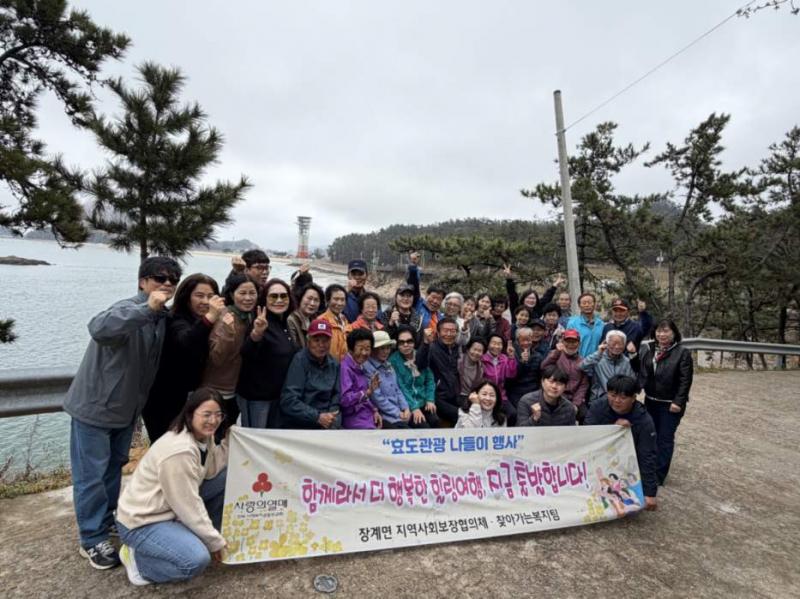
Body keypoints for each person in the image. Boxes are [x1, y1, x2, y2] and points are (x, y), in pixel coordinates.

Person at [64, 256, 181, 570]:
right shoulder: (129, 309)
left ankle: (105, 522)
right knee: (90, 477)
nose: (167, 284)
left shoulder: (161, 318)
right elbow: (98, 327)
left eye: (173, 279)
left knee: (113, 469)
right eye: (159, 278)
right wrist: (147, 309)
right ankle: (91, 539)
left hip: (126, 411)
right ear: (143, 282)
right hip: (95, 407)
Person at [115, 387, 228, 585]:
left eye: (218, 415)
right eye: (207, 414)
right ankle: (139, 562)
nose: (213, 420)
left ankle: (194, 537)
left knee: (225, 477)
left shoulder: (203, 436)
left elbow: (210, 471)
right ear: (190, 413)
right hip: (142, 521)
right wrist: (215, 542)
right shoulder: (179, 451)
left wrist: (230, 442)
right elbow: (188, 506)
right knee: (196, 560)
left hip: (168, 508)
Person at [144, 273, 223, 443]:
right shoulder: (174, 318)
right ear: (187, 297)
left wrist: (237, 273)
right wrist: (210, 318)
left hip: (190, 396)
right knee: (166, 446)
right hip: (163, 399)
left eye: (210, 296)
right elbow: (186, 342)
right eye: (199, 295)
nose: (205, 301)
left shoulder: (205, 321)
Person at [585, 375, 658, 510]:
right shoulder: (597, 407)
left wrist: (650, 492)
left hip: (626, 464)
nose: (617, 401)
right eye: (613, 395)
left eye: (623, 397)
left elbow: (647, 456)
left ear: (633, 398)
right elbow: (587, 437)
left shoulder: (644, 420)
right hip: (599, 459)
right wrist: (613, 428)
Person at [236, 279, 299, 428]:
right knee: (256, 439)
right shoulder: (260, 323)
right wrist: (257, 334)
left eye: (283, 296)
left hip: (279, 397)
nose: (279, 300)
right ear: (264, 299)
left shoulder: (283, 323)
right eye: (273, 296)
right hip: (258, 400)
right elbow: (246, 352)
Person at [637, 319, 693, 485]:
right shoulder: (650, 349)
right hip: (651, 400)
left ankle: (658, 476)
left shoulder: (682, 353)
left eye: (666, 331)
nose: (662, 334)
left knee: (665, 439)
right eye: (659, 331)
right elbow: (642, 372)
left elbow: (685, 380)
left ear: (674, 333)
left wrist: (678, 402)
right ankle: (647, 469)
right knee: (650, 436)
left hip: (670, 404)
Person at [201, 273, 257, 436]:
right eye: (242, 293)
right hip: (217, 390)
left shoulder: (248, 316)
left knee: (225, 437)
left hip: (234, 389)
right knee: (213, 437)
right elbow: (216, 359)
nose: (248, 298)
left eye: (252, 293)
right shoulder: (224, 317)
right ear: (232, 294)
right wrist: (228, 332)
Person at [279, 319, 341, 429]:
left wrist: (331, 418)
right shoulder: (299, 361)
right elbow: (289, 400)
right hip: (302, 423)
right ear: (308, 340)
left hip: (327, 422)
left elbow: (336, 397)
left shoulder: (334, 364)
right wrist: (317, 417)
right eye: (316, 340)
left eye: (325, 341)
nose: (321, 345)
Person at [389, 326, 439, 428]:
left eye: (409, 341)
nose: (406, 345)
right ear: (397, 344)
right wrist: (414, 408)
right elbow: (401, 387)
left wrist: (430, 399)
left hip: (423, 400)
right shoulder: (393, 361)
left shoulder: (421, 355)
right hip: (407, 404)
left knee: (435, 421)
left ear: (414, 342)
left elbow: (430, 380)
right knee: (423, 427)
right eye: (401, 342)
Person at [416, 317, 461, 425]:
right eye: (445, 330)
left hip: (454, 394)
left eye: (452, 331)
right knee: (459, 415)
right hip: (437, 396)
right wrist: (425, 343)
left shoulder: (457, 349)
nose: (449, 334)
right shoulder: (432, 348)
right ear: (438, 332)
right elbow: (420, 364)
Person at [363, 331, 412, 429]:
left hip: (400, 412)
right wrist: (398, 413)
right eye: (382, 348)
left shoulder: (389, 365)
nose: (386, 351)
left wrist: (406, 408)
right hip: (384, 416)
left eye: (388, 348)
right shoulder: (367, 368)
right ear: (373, 349)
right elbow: (377, 398)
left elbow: (397, 389)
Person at [339, 328, 382, 429]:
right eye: (360, 349)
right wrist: (367, 392)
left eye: (367, 349)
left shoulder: (360, 366)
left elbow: (365, 397)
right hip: (354, 418)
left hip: (367, 415)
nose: (364, 353)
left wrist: (374, 410)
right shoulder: (345, 368)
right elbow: (345, 400)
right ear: (351, 349)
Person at [541, 329, 589, 420]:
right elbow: (544, 368)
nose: (570, 344)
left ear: (579, 343)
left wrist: (576, 404)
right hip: (556, 395)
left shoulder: (582, 361)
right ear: (562, 342)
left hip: (574, 397)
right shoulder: (555, 354)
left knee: (585, 415)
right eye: (568, 341)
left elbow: (583, 385)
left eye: (574, 342)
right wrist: (557, 352)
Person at [580, 330, 636, 407]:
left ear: (624, 345)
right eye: (613, 343)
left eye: (620, 344)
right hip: (599, 400)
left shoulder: (627, 361)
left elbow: (632, 381)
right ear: (606, 343)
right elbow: (583, 366)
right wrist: (598, 353)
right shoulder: (598, 358)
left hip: (619, 401)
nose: (617, 347)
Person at [481, 333, 518, 423]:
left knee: (512, 414)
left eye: (499, 344)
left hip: (500, 395)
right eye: (493, 343)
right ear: (488, 344)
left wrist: (511, 357)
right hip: (485, 394)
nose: (496, 346)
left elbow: (511, 374)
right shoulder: (482, 358)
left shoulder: (504, 358)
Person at [406, 251, 445, 333]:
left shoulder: (441, 318)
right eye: (433, 297)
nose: (435, 301)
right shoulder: (417, 304)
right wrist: (413, 265)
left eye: (439, 299)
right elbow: (413, 284)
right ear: (427, 295)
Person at [506, 327, 543, 410]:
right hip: (516, 391)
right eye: (523, 340)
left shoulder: (538, 356)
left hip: (532, 391)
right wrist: (522, 362)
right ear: (518, 341)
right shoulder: (512, 354)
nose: (526, 343)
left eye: (528, 340)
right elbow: (510, 378)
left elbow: (539, 377)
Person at [318, 283, 352, 362]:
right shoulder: (321, 321)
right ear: (327, 300)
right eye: (336, 299)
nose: (339, 303)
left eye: (342, 300)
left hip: (344, 366)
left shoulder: (344, 320)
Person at [566, 292, 605, 357]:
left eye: (589, 302)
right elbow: (568, 344)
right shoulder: (573, 323)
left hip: (598, 361)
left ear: (594, 304)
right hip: (579, 361)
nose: (587, 305)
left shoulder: (601, 324)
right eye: (584, 303)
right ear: (579, 306)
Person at [287, 282, 324, 348]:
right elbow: (292, 348)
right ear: (301, 298)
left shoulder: (315, 319)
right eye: (309, 298)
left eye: (316, 300)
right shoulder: (291, 320)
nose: (312, 303)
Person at [458, 337, 486, 404]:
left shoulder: (481, 368)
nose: (476, 353)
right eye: (474, 349)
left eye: (480, 351)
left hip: (470, 398)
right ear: (468, 349)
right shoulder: (459, 360)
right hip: (456, 395)